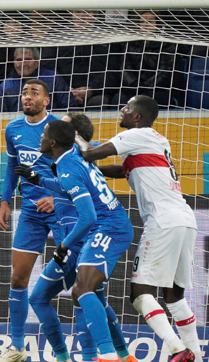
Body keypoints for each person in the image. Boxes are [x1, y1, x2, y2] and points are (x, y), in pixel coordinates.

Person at [77, 95, 201, 362]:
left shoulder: (137, 134)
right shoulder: (157, 139)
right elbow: (123, 170)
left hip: (162, 221)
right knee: (175, 297)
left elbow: (88, 152)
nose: (122, 109)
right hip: (185, 219)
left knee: (139, 293)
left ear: (137, 117)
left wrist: (74, 135)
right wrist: (95, 172)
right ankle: (197, 357)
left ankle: (176, 349)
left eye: (128, 107)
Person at [25, 120, 135, 362]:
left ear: (56, 141)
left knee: (82, 292)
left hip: (94, 232)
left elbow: (87, 215)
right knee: (79, 296)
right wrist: (38, 179)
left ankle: (103, 355)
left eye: (44, 133)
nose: (40, 135)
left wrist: (63, 246)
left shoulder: (70, 166)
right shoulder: (77, 155)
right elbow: (68, 184)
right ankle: (119, 355)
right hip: (87, 232)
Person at [0, 79, 62, 362]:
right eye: (24, 92)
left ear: (47, 101)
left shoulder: (60, 128)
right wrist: (5, 200)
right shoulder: (13, 129)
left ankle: (93, 348)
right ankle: (17, 347)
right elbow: (12, 166)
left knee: (80, 281)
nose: (27, 97)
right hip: (31, 212)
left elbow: (80, 169)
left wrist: (59, 198)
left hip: (63, 210)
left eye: (34, 92)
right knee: (18, 279)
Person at [108, 11, 177, 107]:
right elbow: (124, 68)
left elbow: (165, 72)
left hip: (157, 89)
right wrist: (135, 85)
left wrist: (146, 86)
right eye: (143, 22)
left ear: (157, 24)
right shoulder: (129, 44)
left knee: (150, 99)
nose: (146, 25)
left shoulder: (167, 45)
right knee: (119, 98)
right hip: (132, 88)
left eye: (150, 21)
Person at [0, 48, 76, 112]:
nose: (23, 64)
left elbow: (71, 108)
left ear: (37, 63)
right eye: (19, 60)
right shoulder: (6, 86)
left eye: (28, 60)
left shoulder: (53, 78)